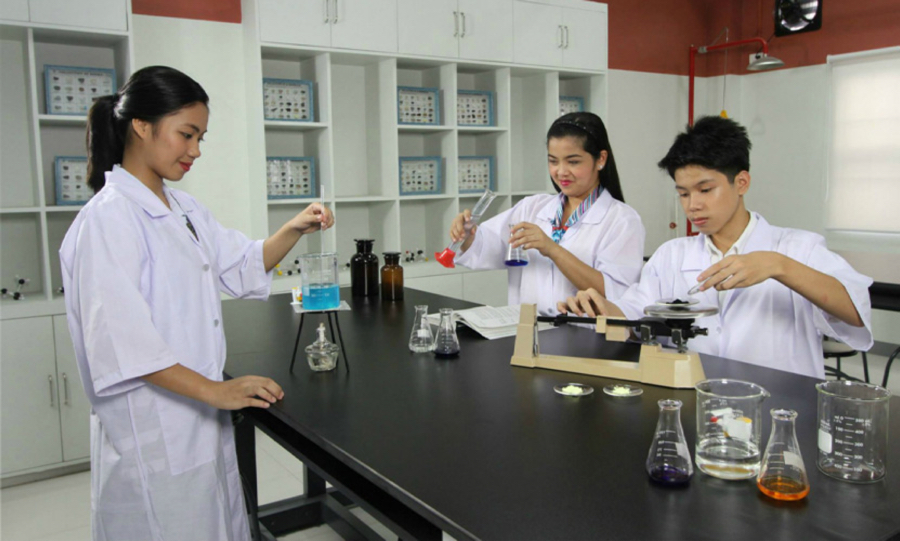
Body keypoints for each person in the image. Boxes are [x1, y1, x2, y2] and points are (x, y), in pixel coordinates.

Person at [59, 66, 334, 541]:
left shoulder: (183, 209)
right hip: (155, 427)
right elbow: (123, 344)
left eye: (200, 137)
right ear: (142, 126)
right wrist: (216, 391)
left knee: (213, 519)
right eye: (186, 134)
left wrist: (294, 227)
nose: (196, 150)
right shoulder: (108, 220)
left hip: (196, 416)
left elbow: (240, 263)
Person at [558, 116, 873, 378]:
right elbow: (632, 316)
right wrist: (599, 308)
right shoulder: (672, 255)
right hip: (698, 403)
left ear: (742, 182)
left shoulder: (798, 247)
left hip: (782, 406)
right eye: (683, 194)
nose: (693, 205)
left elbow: (856, 313)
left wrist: (779, 266)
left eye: (705, 190)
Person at [447, 112, 645, 315]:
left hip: (585, 332)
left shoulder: (622, 220)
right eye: (553, 161)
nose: (561, 171)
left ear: (601, 159)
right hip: (529, 328)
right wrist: (467, 235)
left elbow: (615, 293)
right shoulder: (532, 207)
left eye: (573, 162)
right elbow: (488, 247)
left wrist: (552, 249)